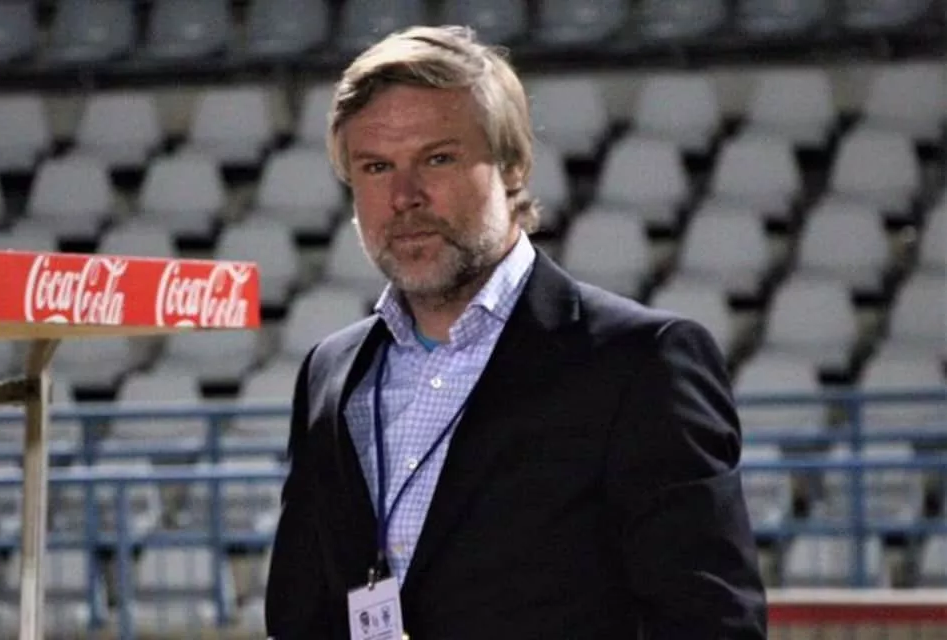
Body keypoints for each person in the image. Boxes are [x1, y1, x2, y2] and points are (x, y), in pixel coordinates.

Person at [266, 24, 767, 639]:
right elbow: (299, 618)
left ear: (513, 166)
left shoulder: (642, 364)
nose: (403, 196)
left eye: (438, 158)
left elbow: (710, 626)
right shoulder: (329, 371)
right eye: (375, 167)